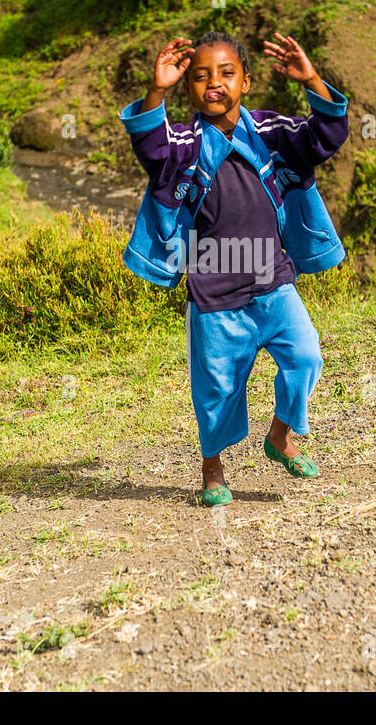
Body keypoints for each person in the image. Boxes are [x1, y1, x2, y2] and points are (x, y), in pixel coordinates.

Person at [118, 30, 350, 506]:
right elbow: (153, 149)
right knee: (216, 392)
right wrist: (156, 90)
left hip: (274, 280)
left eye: (226, 73)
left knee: (306, 357)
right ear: (190, 91)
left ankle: (280, 435)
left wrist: (313, 81)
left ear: (246, 81)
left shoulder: (270, 133)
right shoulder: (184, 143)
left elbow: (325, 136)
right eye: (201, 77)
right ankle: (212, 469)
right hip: (214, 291)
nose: (214, 84)